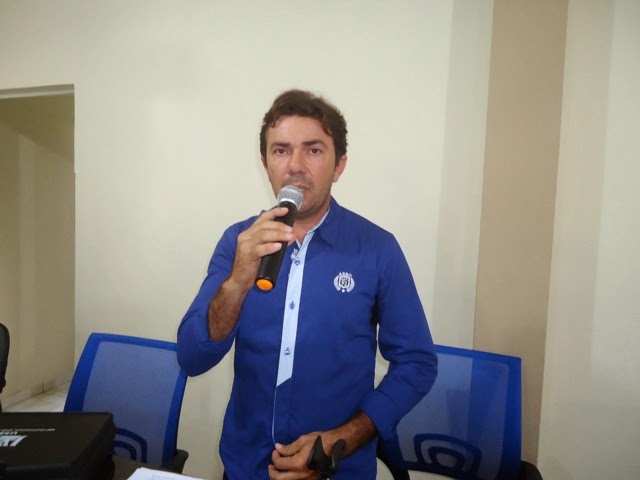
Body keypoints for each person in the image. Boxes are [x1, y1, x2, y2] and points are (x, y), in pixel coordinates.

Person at [177, 89, 437, 480]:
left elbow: (417, 363)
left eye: (313, 150)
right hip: (247, 468)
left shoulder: (377, 249)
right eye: (280, 150)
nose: (295, 166)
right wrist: (237, 281)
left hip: (338, 469)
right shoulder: (238, 243)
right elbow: (192, 358)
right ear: (265, 163)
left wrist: (344, 439)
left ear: (339, 165)